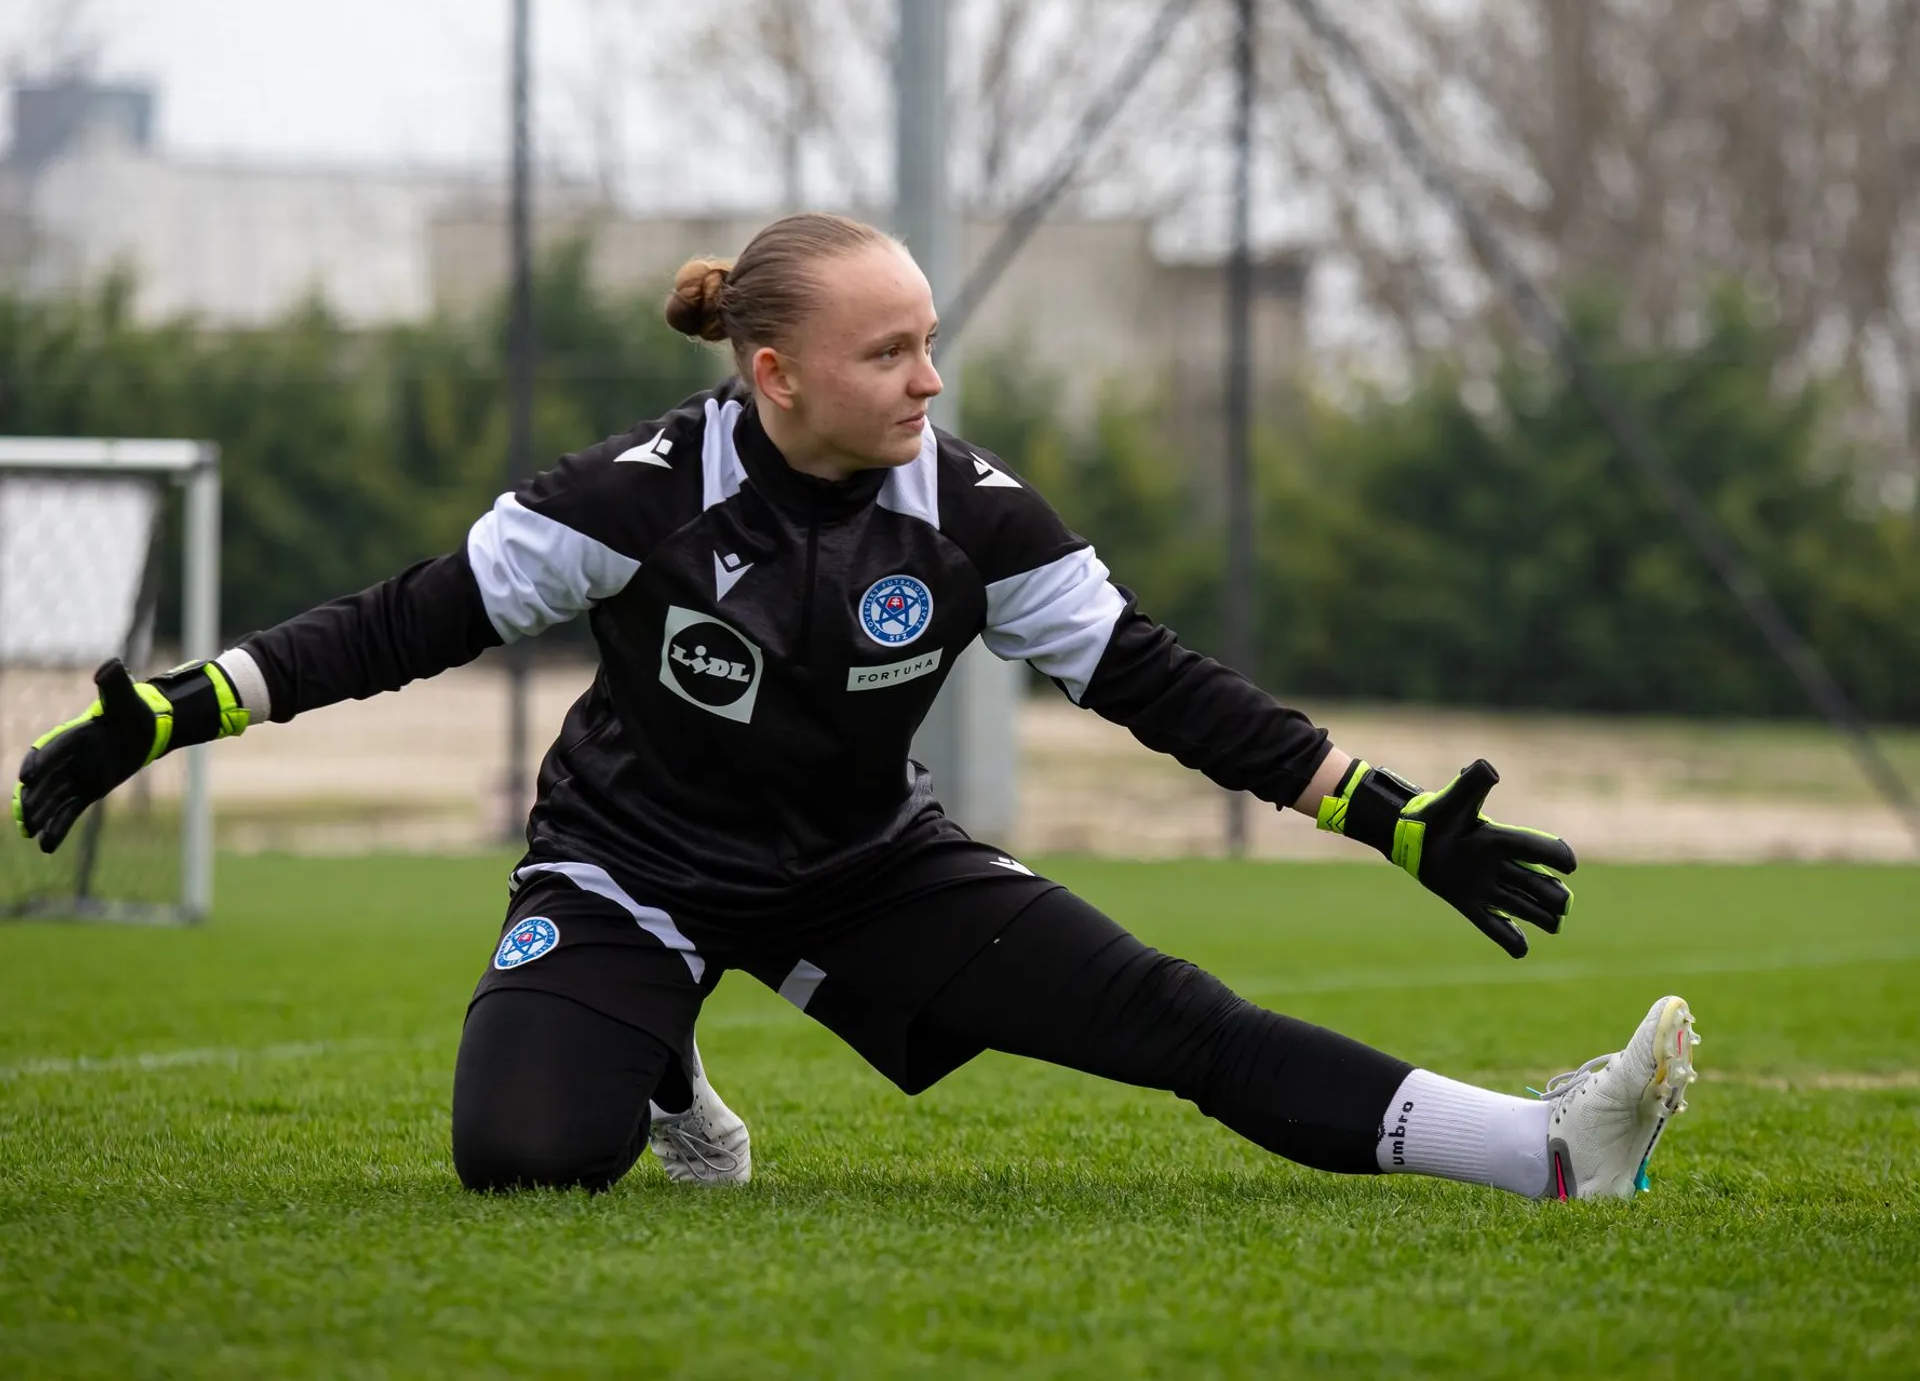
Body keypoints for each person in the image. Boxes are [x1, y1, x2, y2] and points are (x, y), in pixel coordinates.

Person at [13, 212, 1698, 1202]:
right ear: (775, 374)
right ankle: (664, 1065)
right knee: (525, 1163)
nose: (930, 381)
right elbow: (396, 625)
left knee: (1175, 1019)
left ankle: (1552, 1148)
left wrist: (1379, 810)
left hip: (862, 866)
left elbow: (1154, 682)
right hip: (628, 867)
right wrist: (165, 718)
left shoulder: (972, 512)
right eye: (892, 352)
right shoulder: (622, 496)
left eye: (932, 342)